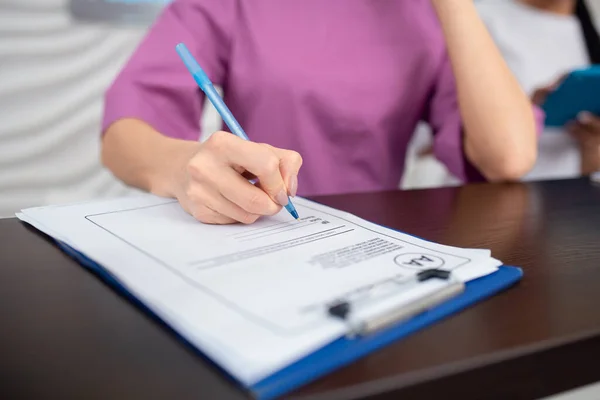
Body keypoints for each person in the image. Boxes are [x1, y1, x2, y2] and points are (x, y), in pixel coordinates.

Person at [100, 0, 541, 225]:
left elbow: (509, 155)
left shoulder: (425, 16)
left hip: (370, 252)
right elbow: (126, 131)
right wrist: (181, 168)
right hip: (246, 232)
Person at [405, 0, 600, 187]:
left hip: (567, 199)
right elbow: (421, 144)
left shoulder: (588, 29)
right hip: (489, 200)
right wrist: (517, 114)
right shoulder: (475, 19)